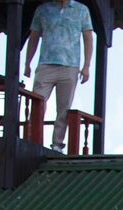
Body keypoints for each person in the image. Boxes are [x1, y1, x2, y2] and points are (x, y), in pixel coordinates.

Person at [22, 0, 93, 153]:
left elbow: (88, 37)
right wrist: (27, 62)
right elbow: (34, 36)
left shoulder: (82, 10)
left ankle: (57, 144)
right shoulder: (43, 10)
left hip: (70, 66)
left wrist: (86, 66)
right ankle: (34, 139)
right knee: (37, 102)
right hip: (45, 64)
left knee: (64, 108)